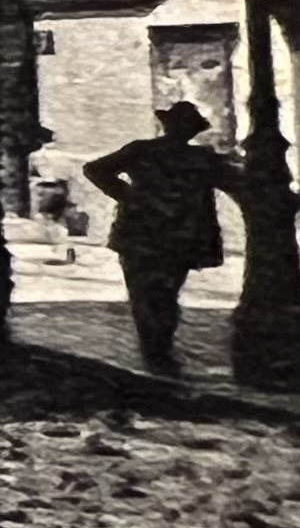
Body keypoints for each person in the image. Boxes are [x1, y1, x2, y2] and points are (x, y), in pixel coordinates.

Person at [85, 100, 245, 374]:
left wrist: (129, 196)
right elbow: (240, 185)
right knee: (166, 294)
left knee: (144, 294)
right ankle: (160, 350)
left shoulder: (143, 150)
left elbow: (95, 169)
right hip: (179, 235)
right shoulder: (201, 159)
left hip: (142, 234)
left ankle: (155, 350)